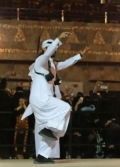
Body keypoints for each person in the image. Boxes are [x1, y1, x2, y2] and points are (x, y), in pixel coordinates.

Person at [22, 32, 88, 164]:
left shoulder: (53, 65)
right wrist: (59, 39)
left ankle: (42, 156)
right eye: (52, 48)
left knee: (55, 133)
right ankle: (48, 129)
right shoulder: (40, 61)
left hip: (43, 101)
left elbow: (66, 63)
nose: (55, 50)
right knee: (65, 107)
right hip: (40, 99)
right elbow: (47, 54)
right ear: (46, 49)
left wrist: (79, 55)